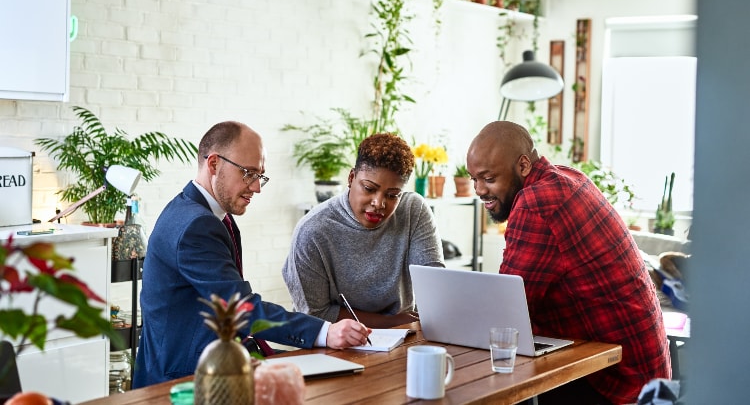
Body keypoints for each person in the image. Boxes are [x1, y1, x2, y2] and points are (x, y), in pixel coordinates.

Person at [133, 121, 369, 388]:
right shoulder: (197, 225)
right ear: (213, 164)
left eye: (260, 175)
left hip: (211, 361)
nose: (256, 187)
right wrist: (326, 331)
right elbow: (240, 309)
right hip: (181, 381)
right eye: (248, 173)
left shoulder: (204, 213)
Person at [466, 121, 671, 405]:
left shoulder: (536, 202)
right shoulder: (569, 177)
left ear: (523, 165)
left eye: (488, 178)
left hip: (616, 380)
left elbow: (507, 312)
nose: (478, 189)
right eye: (473, 178)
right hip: (647, 371)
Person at [282, 132, 445, 328]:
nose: (379, 203)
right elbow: (315, 314)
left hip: (404, 336)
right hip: (336, 342)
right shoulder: (312, 231)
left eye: (392, 195)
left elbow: (434, 285)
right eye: (369, 188)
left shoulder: (413, 210)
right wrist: (390, 322)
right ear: (351, 178)